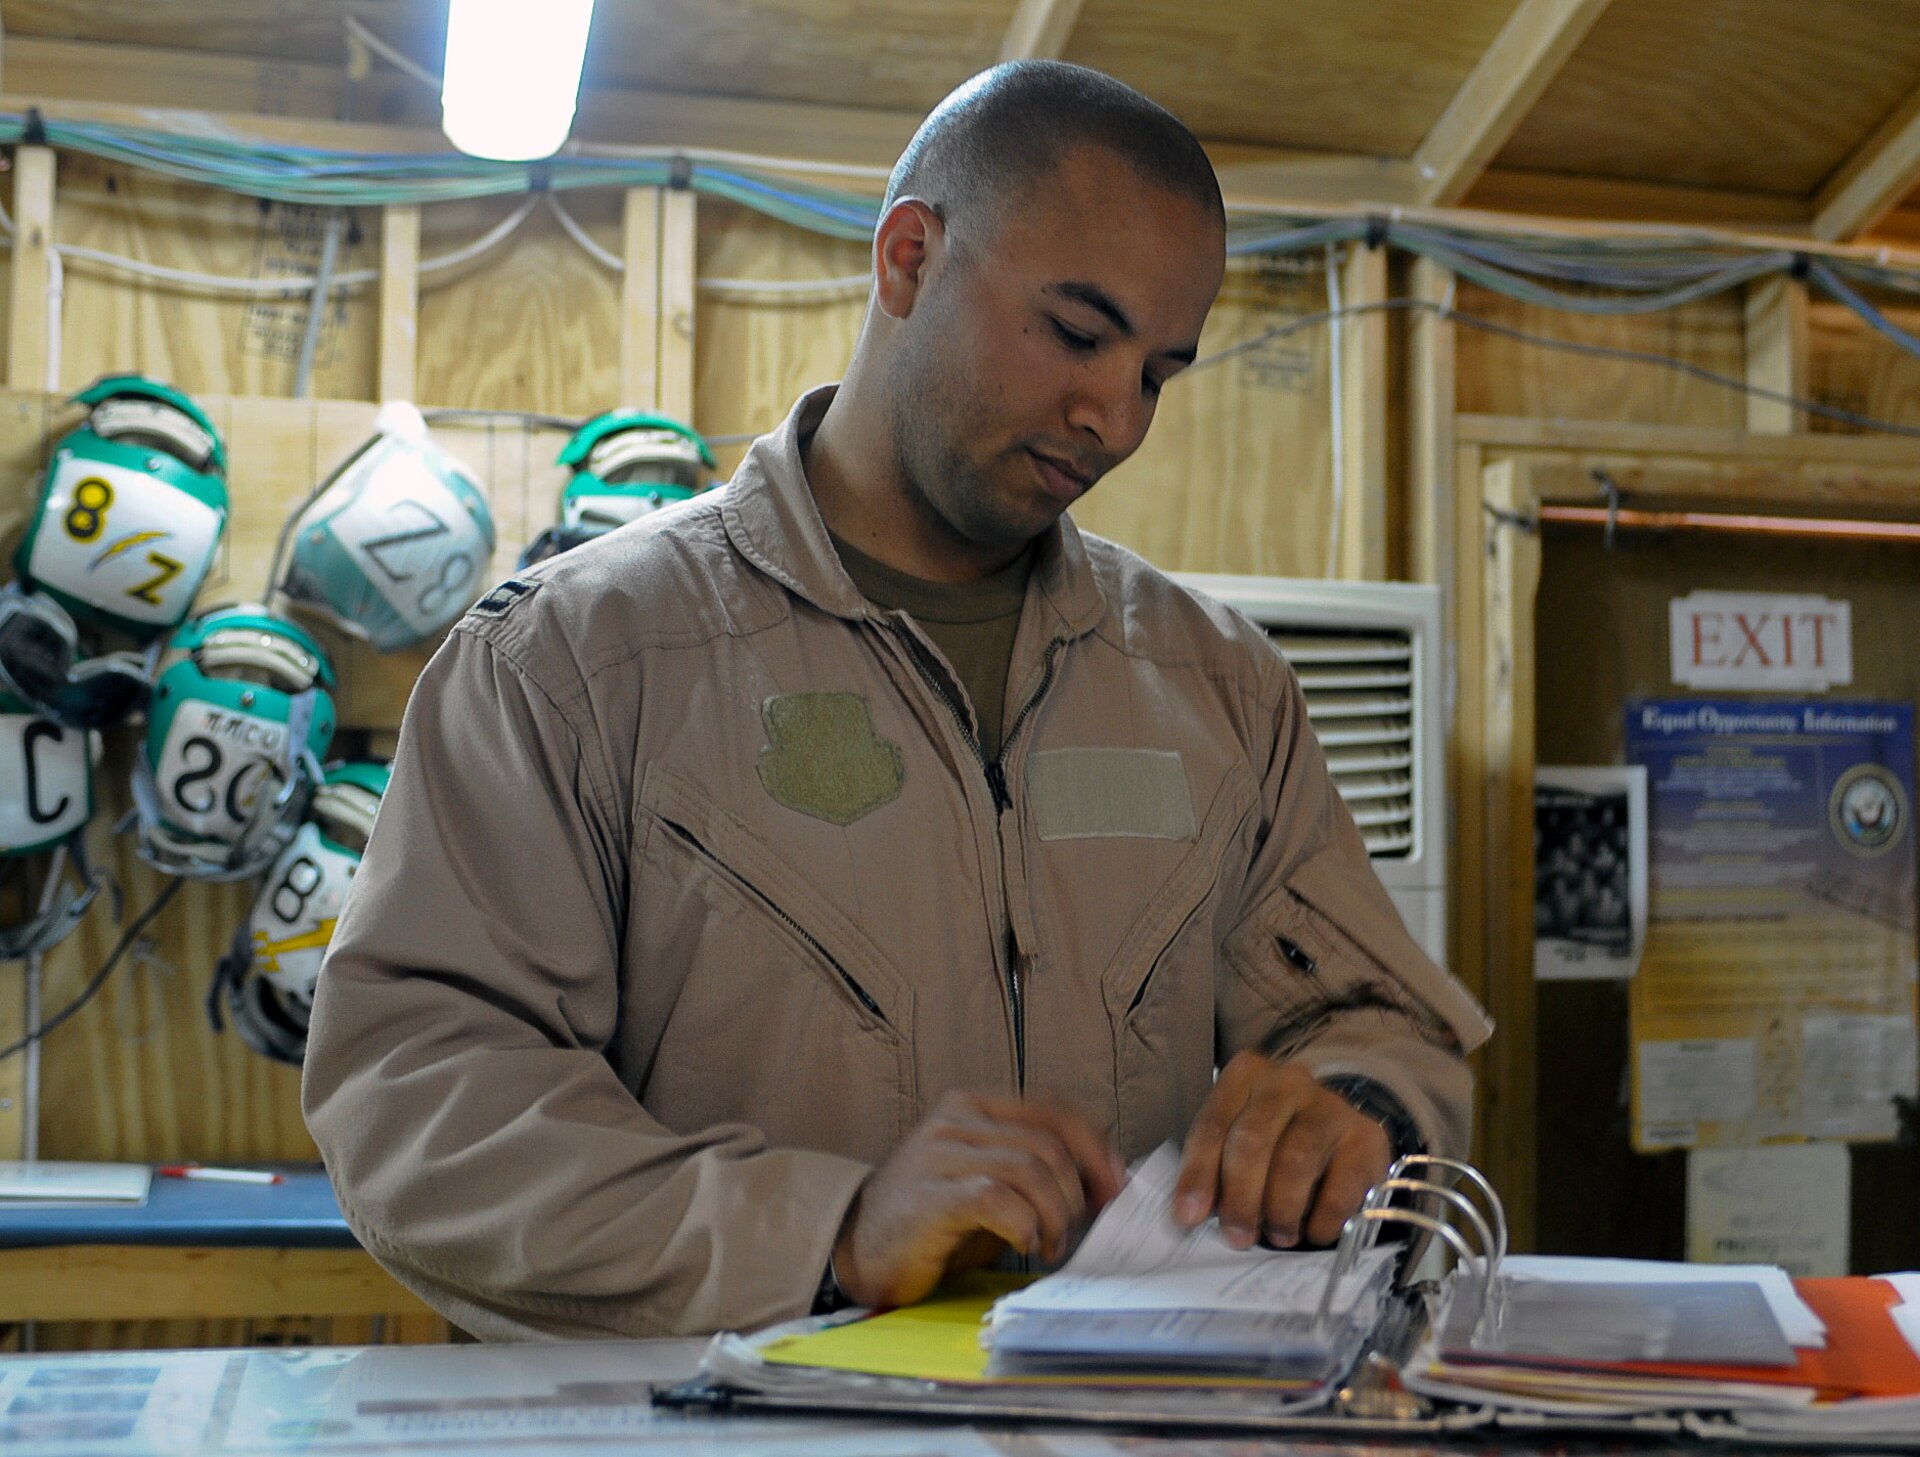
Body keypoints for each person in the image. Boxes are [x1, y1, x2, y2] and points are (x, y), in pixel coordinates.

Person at [302, 60, 1491, 1342]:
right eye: (1077, 334)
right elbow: (422, 1106)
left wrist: (1357, 1109)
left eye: (1158, 371)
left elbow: (1378, 1022)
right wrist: (831, 1230)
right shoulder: (577, 664)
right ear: (908, 258)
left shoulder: (1218, 686)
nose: (1112, 417)